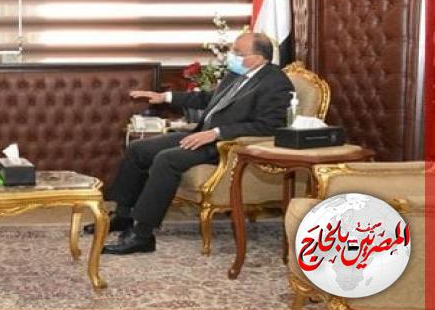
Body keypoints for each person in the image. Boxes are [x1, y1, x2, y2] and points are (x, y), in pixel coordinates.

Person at [87, 32, 294, 255]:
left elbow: (269, 126)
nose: (231, 55)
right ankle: (124, 216)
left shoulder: (276, 83)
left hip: (225, 145)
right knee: (138, 149)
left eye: (237, 52)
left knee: (167, 159)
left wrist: (216, 133)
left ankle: (142, 235)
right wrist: (165, 97)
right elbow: (207, 99)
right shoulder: (237, 74)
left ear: (258, 58)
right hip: (202, 135)